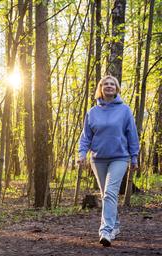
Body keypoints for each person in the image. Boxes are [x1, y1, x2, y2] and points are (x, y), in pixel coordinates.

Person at [77, 75, 139, 247]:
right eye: (106, 84)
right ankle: (116, 225)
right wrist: (82, 154)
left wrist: (134, 157)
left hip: (120, 157)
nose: (109, 86)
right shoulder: (92, 112)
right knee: (107, 195)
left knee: (110, 193)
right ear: (101, 88)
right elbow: (86, 136)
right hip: (98, 159)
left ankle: (106, 230)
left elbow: (132, 134)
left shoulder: (125, 110)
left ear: (117, 88)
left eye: (113, 84)